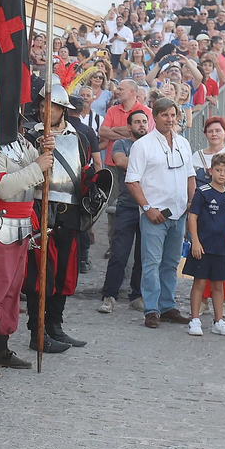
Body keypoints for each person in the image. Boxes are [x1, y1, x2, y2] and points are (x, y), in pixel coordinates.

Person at [0, 112, 56, 377]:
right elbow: (1, 187)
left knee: (10, 292)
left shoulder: (22, 143)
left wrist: (46, 152)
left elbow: (41, 177)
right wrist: (38, 165)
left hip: (21, 224)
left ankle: (0, 349)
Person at [26, 83, 94, 351]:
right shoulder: (31, 136)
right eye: (43, 106)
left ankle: (55, 326)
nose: (46, 111)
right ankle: (38, 331)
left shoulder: (79, 138)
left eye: (52, 106)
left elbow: (84, 172)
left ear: (63, 110)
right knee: (41, 276)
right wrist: (40, 150)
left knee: (65, 274)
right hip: (41, 211)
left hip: (70, 214)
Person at [124, 98, 194, 329]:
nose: (169, 119)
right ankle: (152, 309)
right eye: (164, 115)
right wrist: (147, 208)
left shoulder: (183, 143)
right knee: (151, 263)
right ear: (155, 116)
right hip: (154, 215)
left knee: (171, 263)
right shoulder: (142, 145)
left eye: (173, 115)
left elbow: (190, 176)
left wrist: (190, 203)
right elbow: (132, 181)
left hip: (179, 213)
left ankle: (167, 306)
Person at [189, 115, 225, 314]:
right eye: (210, 131)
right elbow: (191, 182)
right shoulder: (196, 156)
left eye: (218, 130)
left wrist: (222, 178)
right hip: (201, 211)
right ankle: (204, 300)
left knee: (221, 256)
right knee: (202, 256)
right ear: (205, 134)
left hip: (222, 211)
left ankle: (222, 300)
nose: (214, 134)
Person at [185, 153, 225, 336]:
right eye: (218, 170)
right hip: (203, 246)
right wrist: (195, 241)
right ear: (211, 171)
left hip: (220, 247)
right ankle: (194, 319)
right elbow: (193, 217)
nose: (222, 174)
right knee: (199, 282)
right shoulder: (202, 192)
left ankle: (218, 321)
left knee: (218, 284)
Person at [96, 106, 149, 313]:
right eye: (137, 122)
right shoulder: (122, 144)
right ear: (129, 127)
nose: (141, 125)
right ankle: (109, 296)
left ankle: (137, 296)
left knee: (143, 256)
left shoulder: (154, 145)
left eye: (144, 122)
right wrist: (150, 166)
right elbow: (119, 161)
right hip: (127, 206)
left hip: (148, 207)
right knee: (119, 253)